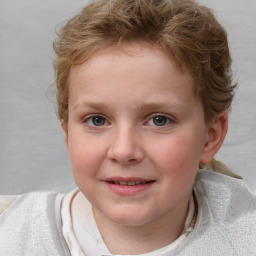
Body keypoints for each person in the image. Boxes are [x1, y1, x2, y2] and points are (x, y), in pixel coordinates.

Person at [0, 0, 255, 255]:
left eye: (159, 120)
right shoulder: (13, 235)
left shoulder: (244, 239)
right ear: (68, 133)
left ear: (210, 137)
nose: (123, 151)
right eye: (97, 120)